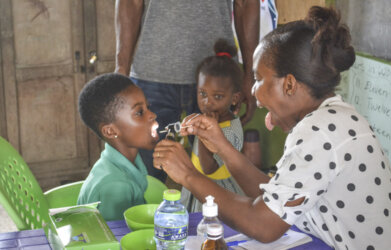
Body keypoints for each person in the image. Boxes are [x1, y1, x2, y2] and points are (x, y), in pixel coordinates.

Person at [153, 6, 391, 249]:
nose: (253, 90)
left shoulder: (320, 130)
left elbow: (263, 225)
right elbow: (271, 196)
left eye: (259, 79)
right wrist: (222, 147)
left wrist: (188, 174)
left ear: (290, 84)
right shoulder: (334, 117)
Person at [114, 0, 260, 182]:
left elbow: (245, 3)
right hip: (151, 74)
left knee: (218, 176)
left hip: (217, 80)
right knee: (144, 178)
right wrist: (121, 69)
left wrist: (251, 73)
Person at [77, 73, 159, 221]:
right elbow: (118, 241)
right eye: (139, 112)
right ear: (111, 131)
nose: (152, 115)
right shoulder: (116, 186)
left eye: (148, 107)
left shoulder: (127, 164)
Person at [181, 39, 245, 213]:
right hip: (198, 190)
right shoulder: (206, 118)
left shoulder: (230, 130)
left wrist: (204, 134)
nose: (207, 103)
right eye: (202, 94)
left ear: (235, 98)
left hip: (217, 197)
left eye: (217, 96)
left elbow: (209, 168)